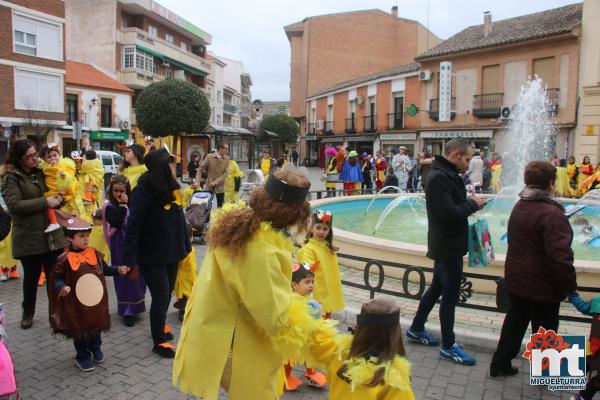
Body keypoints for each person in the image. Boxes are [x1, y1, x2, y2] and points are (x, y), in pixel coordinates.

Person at [173, 171, 325, 400]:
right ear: (292, 213)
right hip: (233, 343)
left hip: (211, 328)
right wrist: (304, 313)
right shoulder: (263, 249)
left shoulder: (240, 223)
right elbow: (274, 317)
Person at [490, 161, 577, 377]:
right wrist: (569, 286)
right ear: (550, 184)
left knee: (515, 322)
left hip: (518, 278)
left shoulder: (520, 205)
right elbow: (560, 257)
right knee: (545, 327)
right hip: (543, 283)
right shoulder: (552, 213)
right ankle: (545, 372)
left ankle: (500, 363)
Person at [406, 137, 484, 366]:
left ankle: (416, 328)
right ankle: (449, 346)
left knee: (436, 289)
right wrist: (473, 205)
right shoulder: (439, 177)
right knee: (449, 297)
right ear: (456, 155)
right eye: (467, 159)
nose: (468, 164)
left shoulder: (445, 174)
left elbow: (450, 204)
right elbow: (448, 213)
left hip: (447, 244)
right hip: (447, 246)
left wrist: (469, 201)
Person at [122, 147, 190, 358]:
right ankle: (158, 341)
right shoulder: (143, 190)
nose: (173, 166)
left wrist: (185, 247)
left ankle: (159, 327)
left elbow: (179, 220)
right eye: (169, 163)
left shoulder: (170, 186)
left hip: (171, 252)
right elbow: (133, 226)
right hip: (151, 255)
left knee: (167, 292)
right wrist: (129, 259)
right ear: (161, 167)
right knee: (160, 296)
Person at [1, 139, 68, 329]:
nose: (34, 158)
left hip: (51, 236)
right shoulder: (11, 178)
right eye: (29, 156)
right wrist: (46, 202)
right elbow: (15, 206)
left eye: (35, 154)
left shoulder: (41, 172)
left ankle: (56, 314)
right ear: (19, 159)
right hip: (29, 237)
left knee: (54, 277)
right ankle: (27, 312)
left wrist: (60, 198)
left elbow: (54, 191)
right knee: (30, 279)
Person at [48, 212, 128, 371]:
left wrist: (117, 270)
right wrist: (61, 287)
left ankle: (96, 348)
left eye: (87, 235)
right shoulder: (64, 258)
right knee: (81, 329)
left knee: (96, 326)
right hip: (76, 304)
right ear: (70, 238)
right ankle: (82, 355)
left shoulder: (94, 253)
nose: (86, 239)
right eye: (81, 236)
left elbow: (104, 269)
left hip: (96, 301)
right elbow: (55, 278)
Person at [309, 298, 415, 400]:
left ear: (359, 327)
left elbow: (320, 343)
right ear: (395, 333)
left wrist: (313, 318)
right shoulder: (394, 380)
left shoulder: (341, 352)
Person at [103, 174, 146, 327]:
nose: (119, 194)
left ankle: (136, 306)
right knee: (123, 274)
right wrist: (122, 205)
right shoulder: (108, 206)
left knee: (136, 274)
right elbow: (116, 221)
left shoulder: (133, 202)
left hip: (134, 242)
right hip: (119, 245)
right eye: (116, 191)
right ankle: (127, 310)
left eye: (122, 191)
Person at [284, 262, 326, 391]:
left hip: (308, 334)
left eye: (312, 282)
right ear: (294, 285)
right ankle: (285, 376)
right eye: (307, 282)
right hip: (295, 336)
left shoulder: (308, 299)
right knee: (292, 356)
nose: (311, 285)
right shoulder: (292, 300)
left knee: (309, 353)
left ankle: (311, 373)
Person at [298, 210, 344, 318]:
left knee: (326, 318)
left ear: (329, 231)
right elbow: (306, 269)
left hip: (328, 291)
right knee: (318, 321)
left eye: (325, 229)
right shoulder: (309, 248)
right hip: (316, 293)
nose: (321, 232)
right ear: (312, 228)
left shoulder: (327, 247)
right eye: (318, 227)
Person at [40, 144, 85, 231]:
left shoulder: (66, 166)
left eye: (55, 155)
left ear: (59, 155)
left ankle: (55, 223)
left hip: (65, 198)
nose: (53, 158)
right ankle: (54, 222)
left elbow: (71, 182)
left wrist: (64, 177)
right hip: (52, 193)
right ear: (44, 160)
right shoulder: (44, 169)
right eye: (49, 157)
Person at [567, 293, 600, 400]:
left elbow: (584, 306)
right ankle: (583, 395)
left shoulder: (598, 301)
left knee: (589, 361)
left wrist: (572, 295)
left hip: (594, 348)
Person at [173, 222, 197, 321]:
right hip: (186, 277)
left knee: (184, 294)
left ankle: (183, 309)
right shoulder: (190, 248)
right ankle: (183, 308)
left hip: (184, 277)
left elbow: (181, 261)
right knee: (185, 293)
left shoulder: (185, 250)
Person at [197, 143, 230, 208]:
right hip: (209, 185)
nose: (227, 150)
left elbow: (226, 173)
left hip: (220, 186)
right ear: (220, 149)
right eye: (226, 149)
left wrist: (216, 182)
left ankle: (219, 218)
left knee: (221, 207)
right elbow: (200, 168)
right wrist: (197, 181)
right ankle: (207, 218)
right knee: (207, 206)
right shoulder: (210, 157)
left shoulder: (227, 159)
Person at [78, 149, 104, 218]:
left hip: (91, 180)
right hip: (97, 180)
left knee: (89, 186)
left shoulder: (87, 164)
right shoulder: (98, 162)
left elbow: (83, 169)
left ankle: (87, 198)